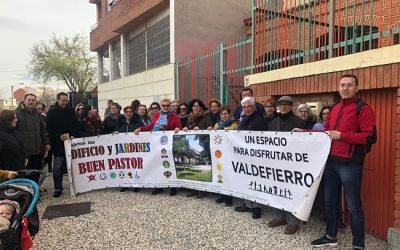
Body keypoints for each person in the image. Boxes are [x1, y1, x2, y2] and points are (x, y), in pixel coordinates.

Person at [309, 74, 375, 249]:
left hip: (350, 164)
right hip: (331, 162)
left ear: (357, 88)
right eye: (342, 85)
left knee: (353, 206)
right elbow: (326, 131)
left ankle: (358, 245)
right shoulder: (335, 107)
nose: (345, 88)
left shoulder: (363, 108)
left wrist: (342, 136)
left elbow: (369, 136)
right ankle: (331, 236)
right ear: (338, 88)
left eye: (349, 85)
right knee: (330, 202)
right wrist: (302, 132)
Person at [267, 95, 306, 234]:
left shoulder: (299, 122)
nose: (283, 107)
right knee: (278, 189)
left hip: (293, 163)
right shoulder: (273, 122)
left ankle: (293, 221)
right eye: (281, 104)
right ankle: (280, 216)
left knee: (292, 191)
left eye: (286, 104)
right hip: (276, 162)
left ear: (291, 107)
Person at [135, 97, 182, 196]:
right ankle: (158, 186)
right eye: (163, 105)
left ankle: (173, 187)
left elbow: (179, 126)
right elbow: (152, 126)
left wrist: (178, 129)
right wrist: (141, 129)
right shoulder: (157, 114)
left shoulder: (174, 116)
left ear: (170, 106)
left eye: (167, 105)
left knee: (170, 163)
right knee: (157, 164)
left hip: (169, 143)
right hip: (157, 143)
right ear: (161, 106)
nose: (165, 107)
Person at [234, 96, 268, 219]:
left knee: (257, 181)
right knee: (246, 180)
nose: (247, 109)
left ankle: (257, 207)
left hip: (256, 157)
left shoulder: (259, 120)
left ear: (254, 107)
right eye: (244, 107)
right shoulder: (243, 120)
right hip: (244, 156)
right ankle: (248, 204)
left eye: (249, 106)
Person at [47, 92, 78, 198]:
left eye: (66, 100)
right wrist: (59, 136)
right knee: (57, 168)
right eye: (63, 100)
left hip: (71, 143)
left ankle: (75, 186)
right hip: (58, 144)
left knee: (73, 166)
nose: (65, 102)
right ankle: (58, 188)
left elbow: (75, 125)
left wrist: (73, 134)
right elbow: (49, 129)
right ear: (58, 100)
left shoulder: (71, 111)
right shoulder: (51, 113)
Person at [15, 94, 50, 184]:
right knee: (25, 173)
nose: (31, 102)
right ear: (24, 101)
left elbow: (42, 130)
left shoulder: (37, 114)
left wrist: (47, 143)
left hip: (37, 150)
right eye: (29, 100)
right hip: (24, 151)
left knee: (36, 171)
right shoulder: (18, 113)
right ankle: (26, 193)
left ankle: (35, 189)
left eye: (33, 100)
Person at [209, 106, 238, 206]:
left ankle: (229, 197)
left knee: (228, 174)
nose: (223, 116)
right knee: (220, 173)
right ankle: (222, 194)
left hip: (230, 154)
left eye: (225, 113)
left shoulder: (235, 124)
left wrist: (230, 131)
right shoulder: (217, 124)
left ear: (230, 114)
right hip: (218, 153)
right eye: (221, 114)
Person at [183, 99, 212, 199]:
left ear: (201, 107)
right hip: (192, 144)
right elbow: (187, 129)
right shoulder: (189, 118)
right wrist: (185, 129)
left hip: (203, 145)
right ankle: (193, 189)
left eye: (198, 106)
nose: (196, 107)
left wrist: (201, 130)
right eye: (194, 106)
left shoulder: (206, 117)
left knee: (202, 167)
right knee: (193, 167)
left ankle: (202, 190)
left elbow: (210, 129)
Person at [118, 106, 143, 192]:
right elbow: (116, 132)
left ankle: (136, 184)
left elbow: (144, 131)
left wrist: (139, 129)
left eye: (130, 112)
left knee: (135, 166)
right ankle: (127, 183)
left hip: (135, 149)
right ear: (124, 113)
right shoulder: (120, 123)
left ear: (132, 113)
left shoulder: (137, 122)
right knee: (126, 166)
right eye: (127, 112)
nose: (128, 113)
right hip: (124, 149)